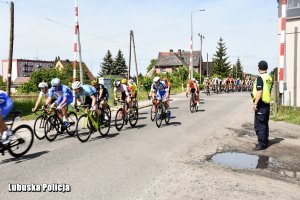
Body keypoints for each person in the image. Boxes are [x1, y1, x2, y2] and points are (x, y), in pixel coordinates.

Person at [252, 60, 273, 151]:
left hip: (260, 103)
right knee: (264, 123)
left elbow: (259, 91)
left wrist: (255, 103)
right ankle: (265, 140)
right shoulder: (269, 77)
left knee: (259, 125)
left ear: (258, 68)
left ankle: (262, 144)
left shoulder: (260, 78)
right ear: (267, 68)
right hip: (267, 103)